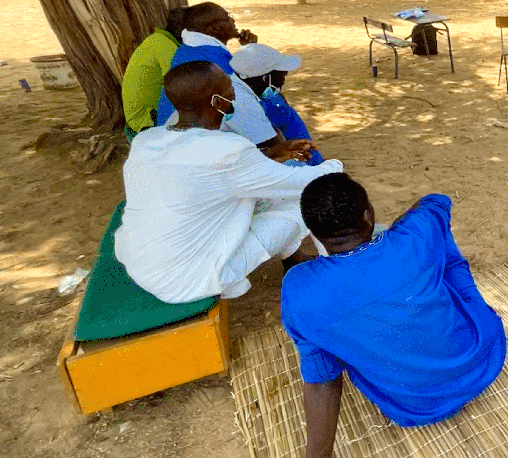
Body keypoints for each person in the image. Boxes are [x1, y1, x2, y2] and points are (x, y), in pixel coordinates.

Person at [281, 173, 507, 458]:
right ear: (369, 216)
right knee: (441, 256)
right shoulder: (412, 237)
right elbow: (436, 200)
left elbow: (322, 380)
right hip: (482, 357)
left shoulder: (298, 288)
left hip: (412, 405)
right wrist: (397, 231)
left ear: (313, 235)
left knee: (334, 335)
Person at [116, 61, 342, 304]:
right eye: (229, 88)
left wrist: (274, 154)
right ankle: (338, 271)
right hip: (185, 279)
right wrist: (335, 166)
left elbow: (213, 173)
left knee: (266, 197)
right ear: (217, 102)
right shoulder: (227, 152)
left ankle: (294, 259)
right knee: (313, 198)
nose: (234, 91)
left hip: (141, 262)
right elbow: (306, 181)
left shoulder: (147, 141)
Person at [155, 3, 302, 161]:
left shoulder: (190, 48)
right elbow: (243, 96)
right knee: (284, 112)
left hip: (174, 129)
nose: (233, 21)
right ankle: (314, 163)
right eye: (228, 18)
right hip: (199, 132)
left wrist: (250, 48)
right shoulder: (214, 63)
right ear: (214, 28)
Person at [231, 43, 325, 165]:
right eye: (282, 74)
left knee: (280, 107)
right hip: (242, 162)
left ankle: (315, 162)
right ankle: (316, 166)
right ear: (265, 78)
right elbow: (274, 148)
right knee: (296, 166)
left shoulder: (235, 79)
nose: (284, 80)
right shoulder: (246, 105)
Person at [121, 6, 190, 136]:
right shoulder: (165, 46)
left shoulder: (159, 40)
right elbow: (186, 84)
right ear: (185, 30)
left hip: (142, 117)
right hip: (145, 120)